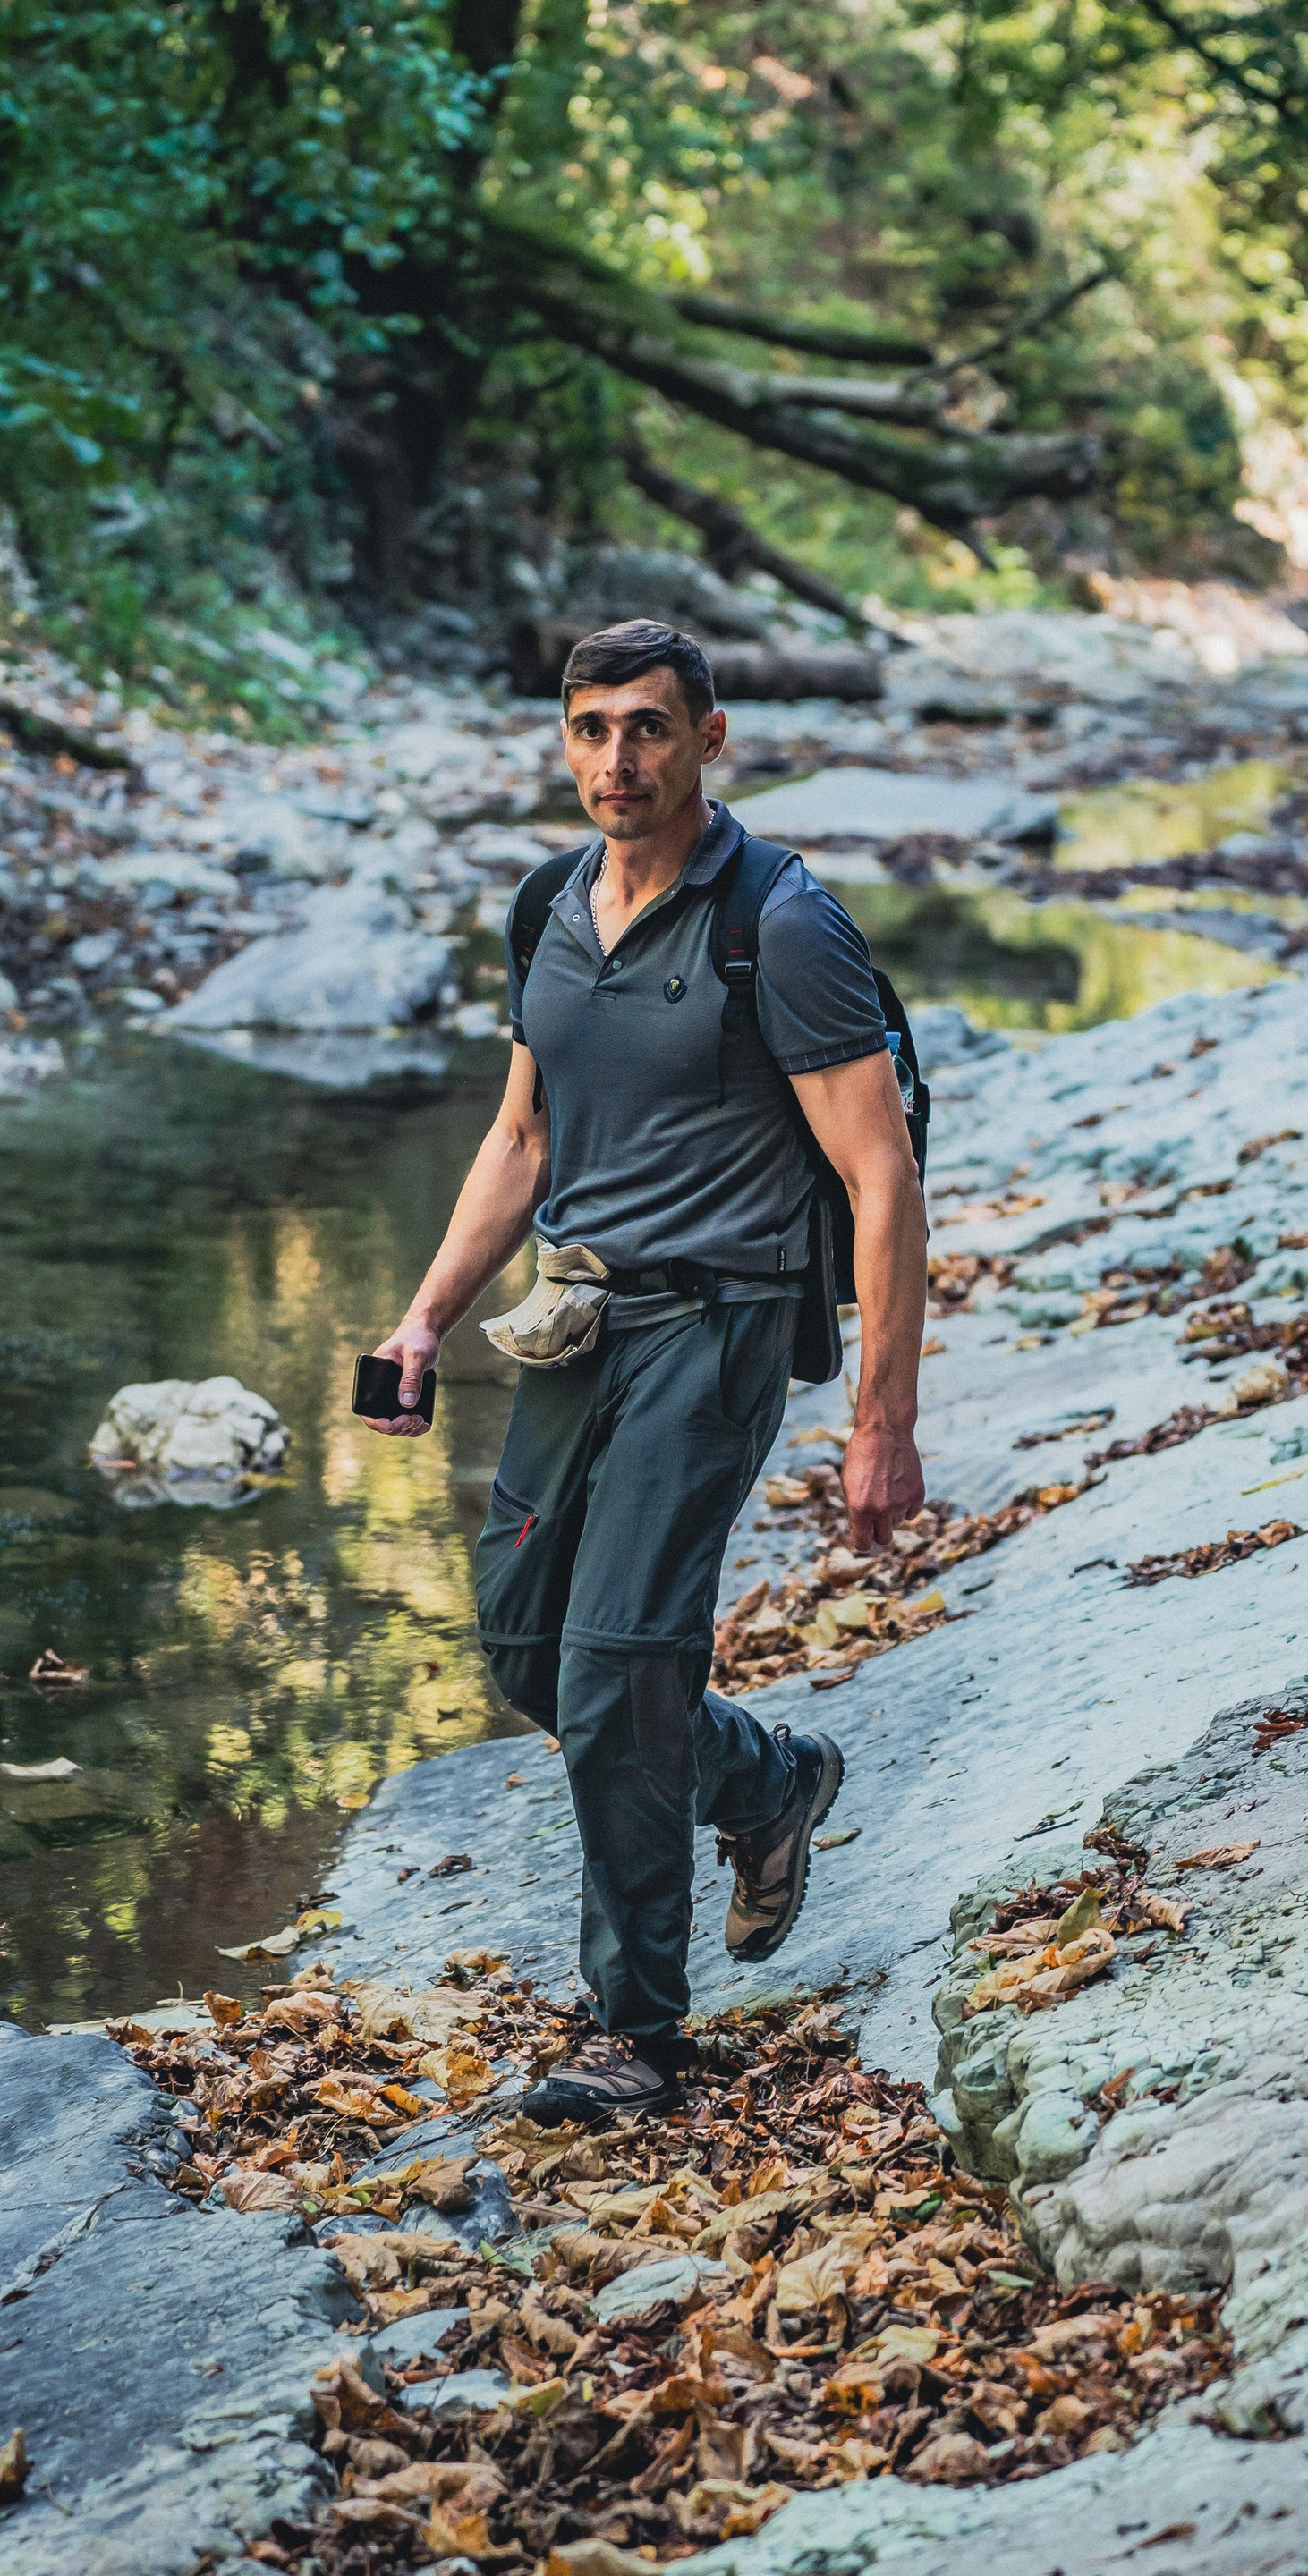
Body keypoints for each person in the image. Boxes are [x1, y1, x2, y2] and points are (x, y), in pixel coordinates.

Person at [361, 615, 928, 2123]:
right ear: (565, 740)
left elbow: (881, 1182)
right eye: (593, 728)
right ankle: (762, 1782)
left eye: (651, 729)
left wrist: (883, 1422)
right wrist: (421, 1320)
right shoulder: (549, 902)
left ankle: (636, 2032)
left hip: (720, 1332)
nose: (620, 759)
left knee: (617, 1667)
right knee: (526, 1648)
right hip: (577, 1321)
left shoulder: (781, 926)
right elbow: (523, 1135)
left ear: (710, 740)